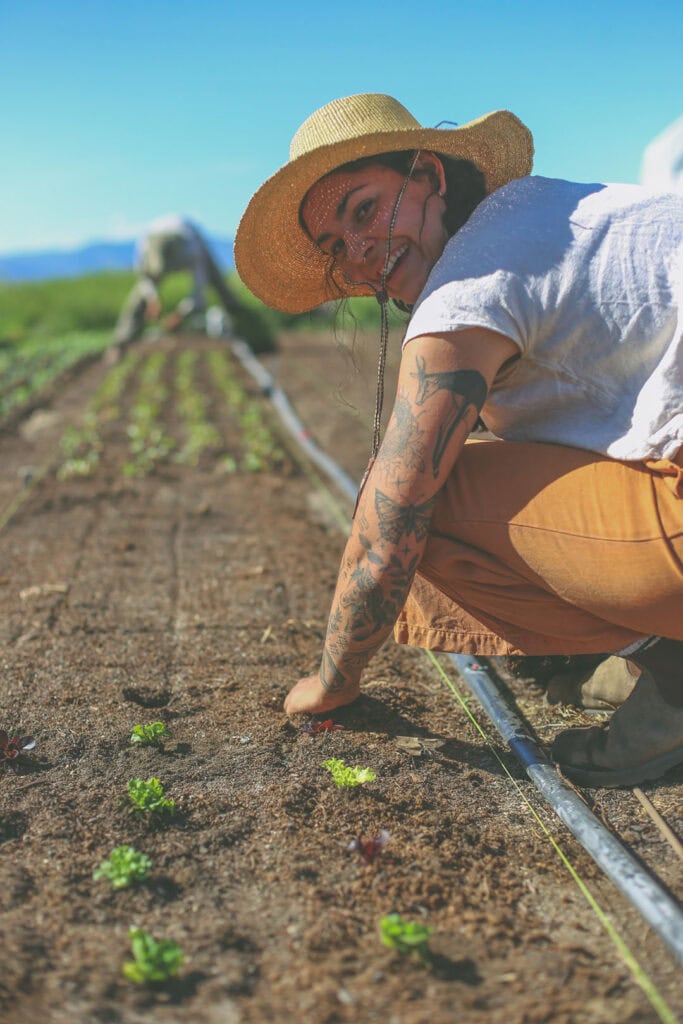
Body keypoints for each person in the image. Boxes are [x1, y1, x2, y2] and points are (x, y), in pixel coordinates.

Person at [234, 93, 683, 788]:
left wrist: (331, 681)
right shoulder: (544, 211)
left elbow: (388, 528)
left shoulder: (464, 292)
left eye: (362, 210)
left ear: (429, 177)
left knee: (416, 502)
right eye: (335, 247)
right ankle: (648, 653)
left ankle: (673, 673)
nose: (356, 254)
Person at [113, 214, 240, 350]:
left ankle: (240, 321)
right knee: (138, 299)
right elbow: (146, 279)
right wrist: (152, 299)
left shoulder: (191, 249)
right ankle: (121, 342)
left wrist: (181, 313)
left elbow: (199, 291)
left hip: (191, 236)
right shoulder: (144, 247)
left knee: (218, 282)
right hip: (159, 234)